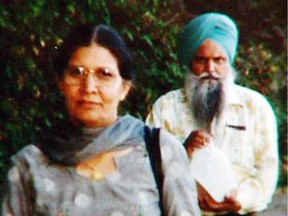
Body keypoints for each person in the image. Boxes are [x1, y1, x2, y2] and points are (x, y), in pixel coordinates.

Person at [1, 24, 201, 216]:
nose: (88, 87)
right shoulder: (28, 166)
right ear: (61, 82)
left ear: (124, 88)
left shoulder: (159, 151)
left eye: (104, 74)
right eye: (76, 73)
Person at [146, 12, 279, 215]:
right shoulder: (166, 107)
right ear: (190, 62)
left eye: (219, 60)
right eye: (201, 60)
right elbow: (146, 167)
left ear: (229, 62)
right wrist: (182, 151)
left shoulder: (255, 106)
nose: (210, 68)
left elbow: (267, 169)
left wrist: (240, 199)